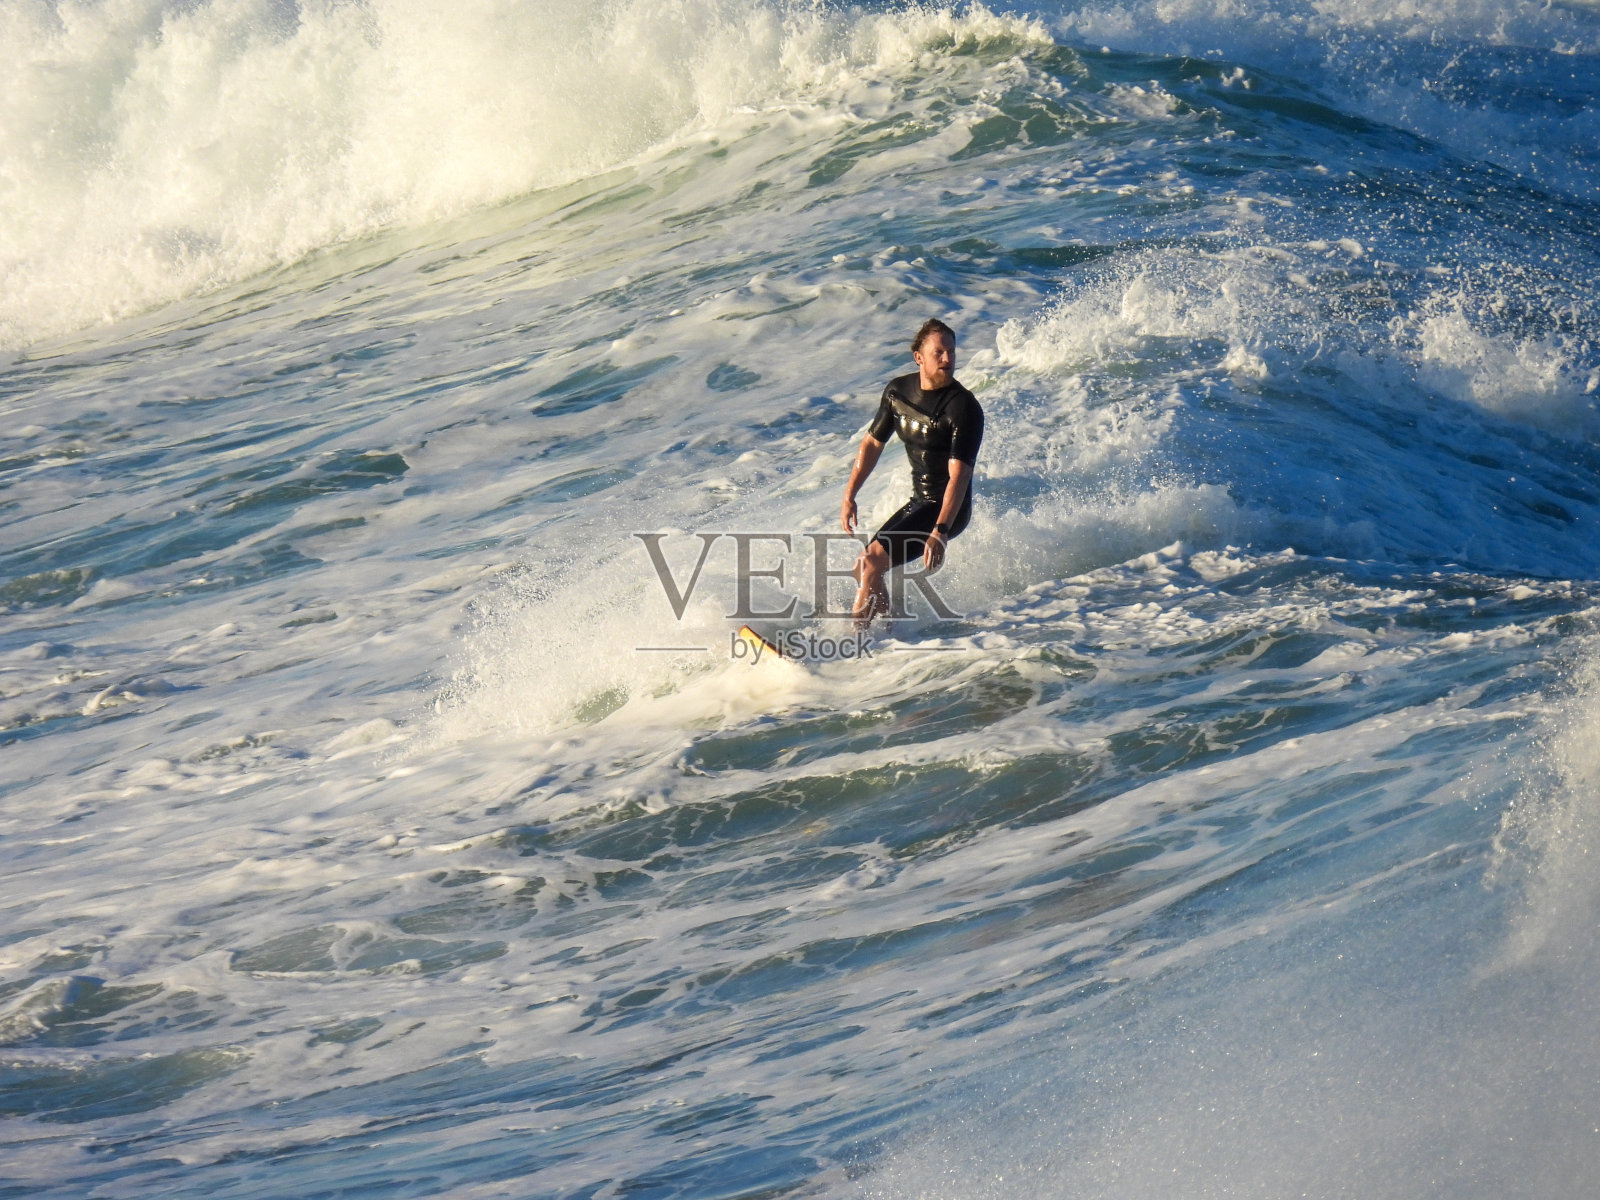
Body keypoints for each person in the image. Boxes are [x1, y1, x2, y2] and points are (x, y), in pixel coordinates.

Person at [840, 318, 984, 626]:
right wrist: (850, 494)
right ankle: (887, 634)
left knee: (870, 563)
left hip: (948, 510)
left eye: (952, 352)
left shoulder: (963, 408)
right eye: (939, 352)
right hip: (921, 501)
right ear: (919, 357)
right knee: (863, 567)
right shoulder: (898, 392)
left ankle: (855, 645)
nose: (948, 359)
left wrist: (941, 531)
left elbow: (959, 477)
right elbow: (871, 445)